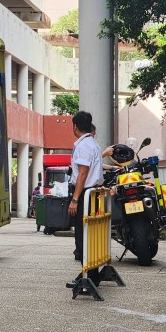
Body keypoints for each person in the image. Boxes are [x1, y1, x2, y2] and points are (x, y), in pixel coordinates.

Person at [67, 111, 103, 263]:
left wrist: (75, 200)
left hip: (85, 194)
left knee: (83, 233)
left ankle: (86, 271)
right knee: (92, 232)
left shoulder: (83, 146)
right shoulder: (93, 144)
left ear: (75, 127)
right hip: (94, 192)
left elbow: (82, 174)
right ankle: (91, 270)